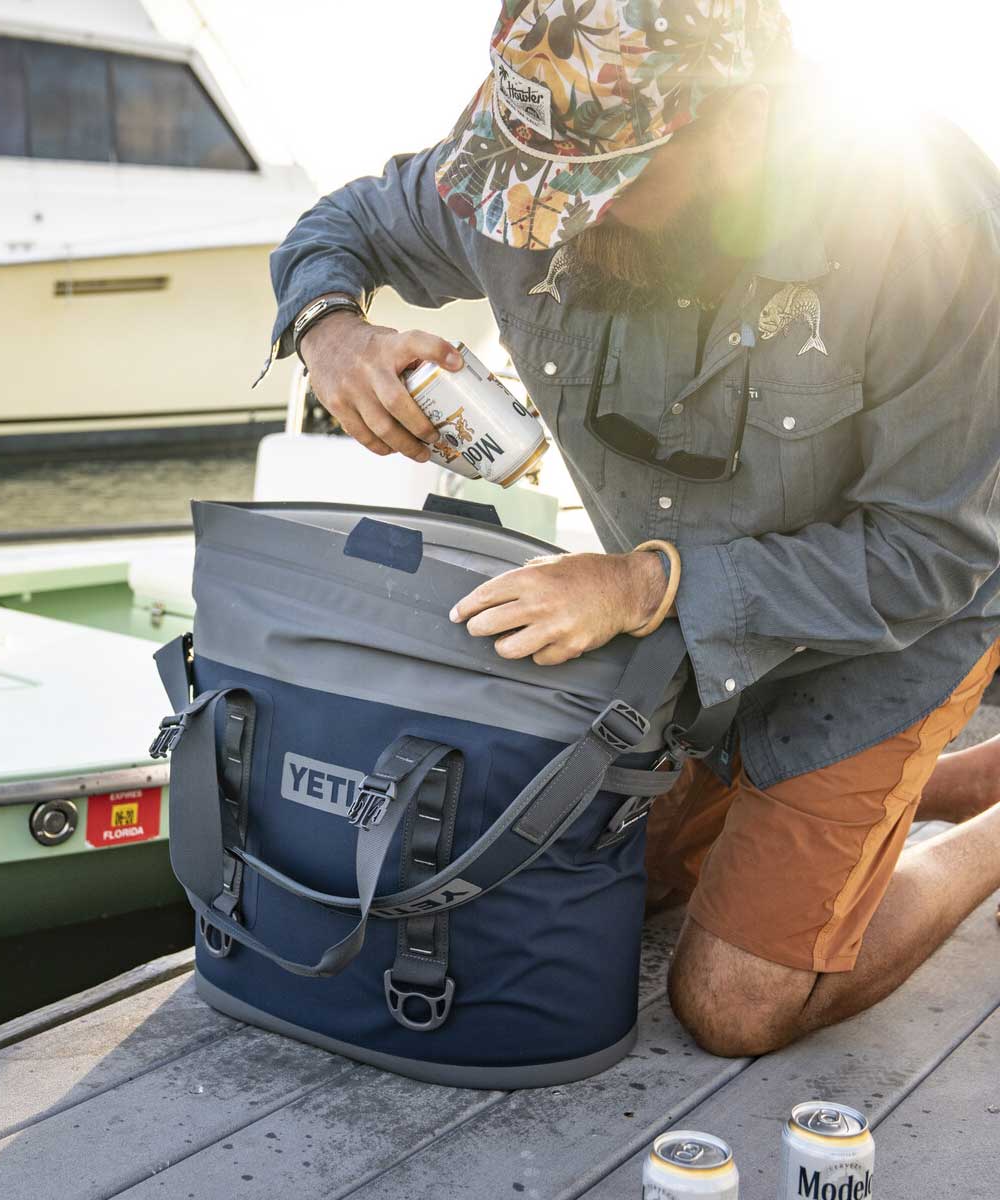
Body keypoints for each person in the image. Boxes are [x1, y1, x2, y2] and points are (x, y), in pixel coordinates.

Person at [261, 0, 1000, 1057]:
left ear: (743, 120)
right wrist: (329, 332)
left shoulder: (926, 213)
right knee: (597, 881)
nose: (551, 220)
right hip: (670, 642)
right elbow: (341, 227)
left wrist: (642, 586)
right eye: (538, 184)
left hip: (889, 642)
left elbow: (936, 553)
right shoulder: (516, 170)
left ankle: (983, 829)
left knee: (736, 1004)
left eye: (597, 185)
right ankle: (938, 781)